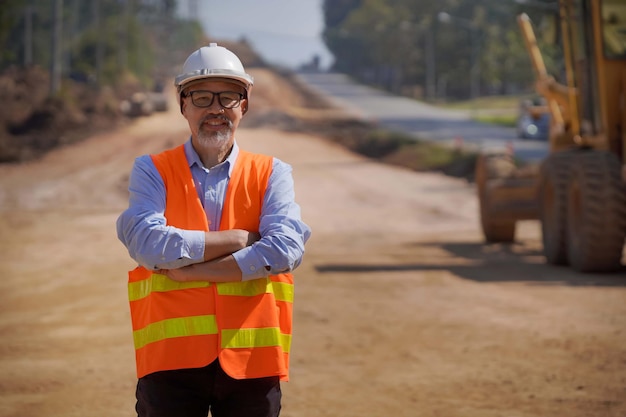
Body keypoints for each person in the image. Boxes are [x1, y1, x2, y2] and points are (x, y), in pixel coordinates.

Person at [116, 43, 311, 417]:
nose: (216, 109)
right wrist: (238, 240)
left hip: (251, 360)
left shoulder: (272, 173)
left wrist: (198, 270)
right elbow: (147, 242)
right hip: (171, 363)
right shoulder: (152, 169)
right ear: (183, 105)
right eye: (202, 97)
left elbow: (286, 249)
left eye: (228, 97)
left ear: (245, 106)